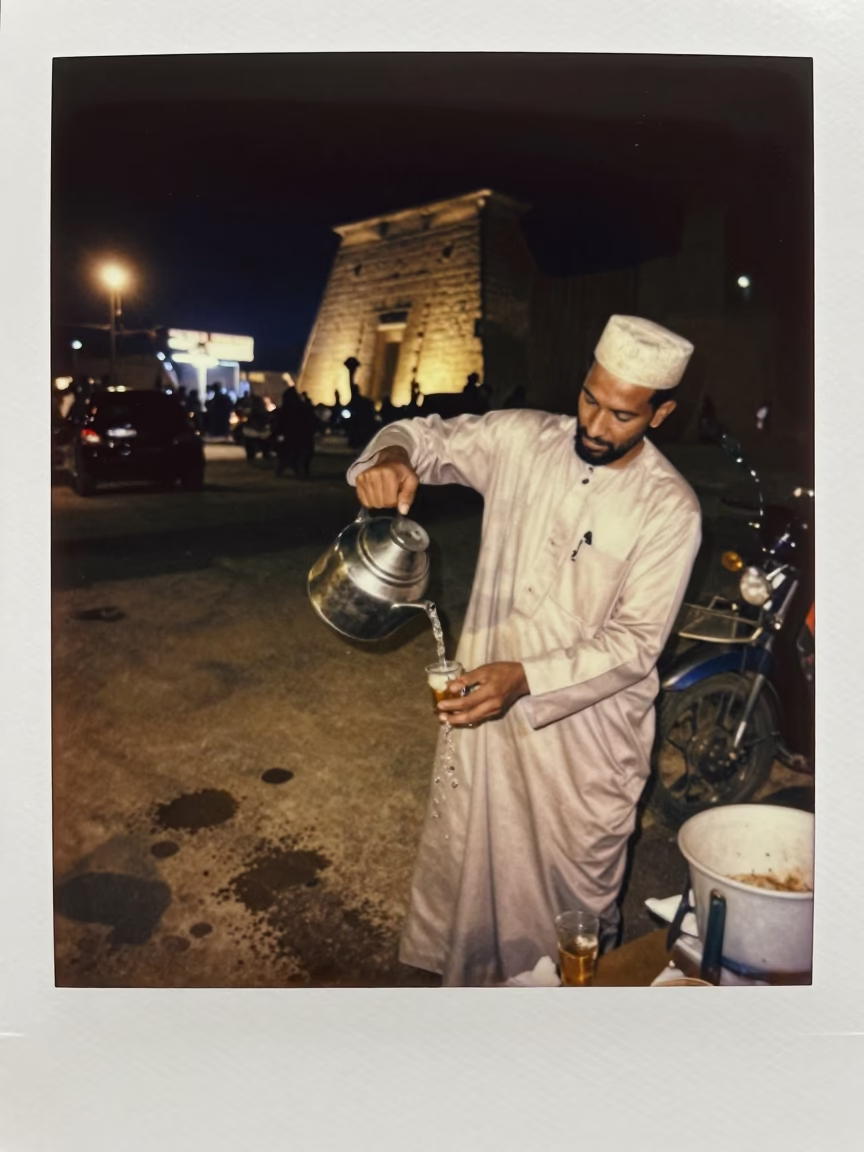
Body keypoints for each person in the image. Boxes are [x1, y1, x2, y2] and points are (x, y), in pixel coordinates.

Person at [347, 314, 702, 987]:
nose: (595, 426)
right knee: (474, 875)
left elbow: (635, 644)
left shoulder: (671, 508)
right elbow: (422, 437)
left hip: (582, 742)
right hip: (489, 706)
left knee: (570, 910)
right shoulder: (524, 440)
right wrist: (392, 457)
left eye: (622, 415)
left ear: (662, 413)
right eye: (589, 399)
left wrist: (527, 678)